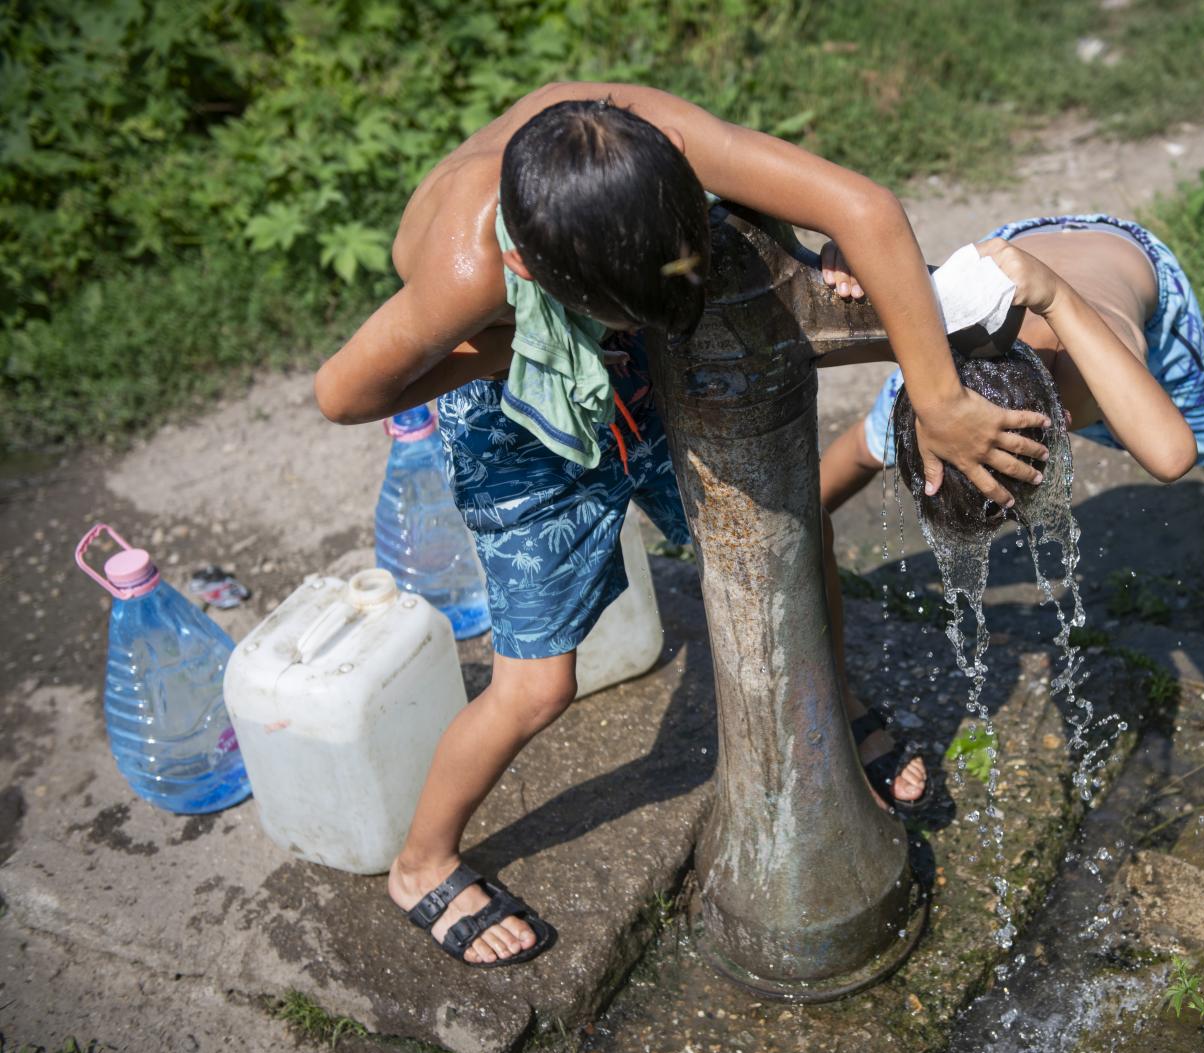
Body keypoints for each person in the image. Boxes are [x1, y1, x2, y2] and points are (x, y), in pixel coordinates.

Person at [313, 84, 1050, 969]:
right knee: (537, 688)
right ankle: (422, 861)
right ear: (528, 274)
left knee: (791, 528)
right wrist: (508, 349)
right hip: (516, 411)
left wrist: (938, 397)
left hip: (628, 339)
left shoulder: (656, 139)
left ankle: (831, 709)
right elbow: (342, 393)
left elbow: (866, 209)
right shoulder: (469, 275)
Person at [817, 215, 1204, 639]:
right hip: (999, 279)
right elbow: (819, 337)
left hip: (1117, 273)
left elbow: (1170, 454)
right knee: (871, 444)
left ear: (1060, 427)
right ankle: (810, 515)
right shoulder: (931, 345)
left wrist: (1055, 294)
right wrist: (849, 275)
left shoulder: (1101, 363)